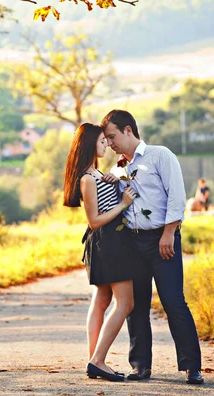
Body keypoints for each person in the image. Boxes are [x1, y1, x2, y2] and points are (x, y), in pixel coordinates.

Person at [100, 110, 204, 384]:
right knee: (136, 306)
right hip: (131, 243)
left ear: (128, 131)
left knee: (173, 301)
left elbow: (177, 196)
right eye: (107, 139)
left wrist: (169, 232)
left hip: (163, 240)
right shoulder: (118, 168)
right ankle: (140, 366)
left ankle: (192, 367)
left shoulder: (161, 155)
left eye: (112, 137)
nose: (110, 143)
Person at [63, 122, 137, 382]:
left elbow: (107, 201)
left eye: (107, 141)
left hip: (108, 241)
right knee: (126, 302)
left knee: (102, 301)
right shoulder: (86, 179)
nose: (107, 145)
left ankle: (94, 360)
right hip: (108, 241)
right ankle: (97, 360)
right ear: (89, 145)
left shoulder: (96, 174)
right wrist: (124, 204)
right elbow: (94, 220)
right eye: (102, 142)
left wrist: (115, 181)